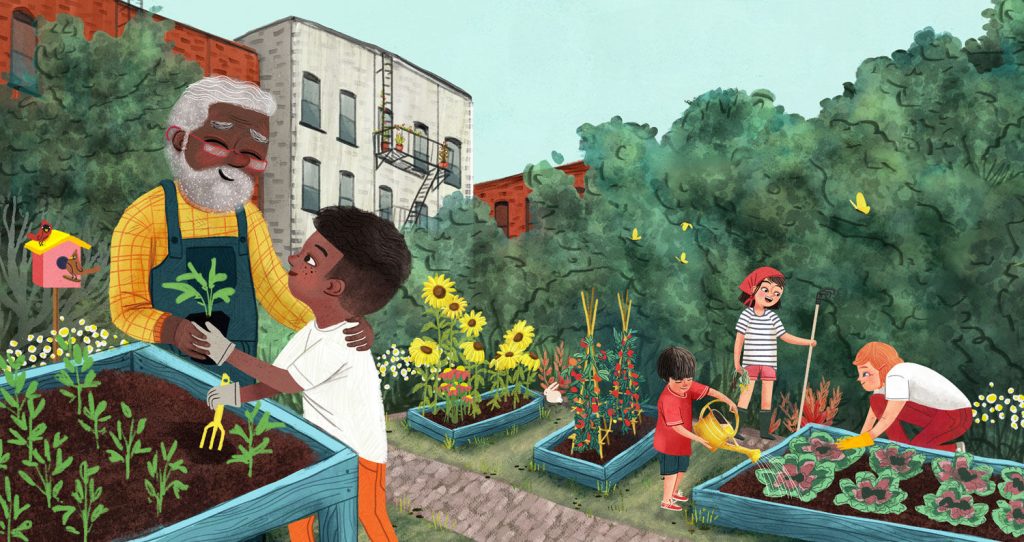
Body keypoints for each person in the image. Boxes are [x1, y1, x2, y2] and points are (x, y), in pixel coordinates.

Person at [109, 76, 373, 387]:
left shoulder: (247, 219)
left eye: (252, 153)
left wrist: (340, 323)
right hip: (165, 374)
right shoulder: (145, 216)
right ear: (181, 140)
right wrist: (172, 330)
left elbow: (276, 294)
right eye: (219, 144)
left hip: (233, 374)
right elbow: (126, 308)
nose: (236, 160)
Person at [195, 205, 410, 542]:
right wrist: (238, 396)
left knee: (370, 514)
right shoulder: (314, 331)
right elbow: (276, 378)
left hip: (360, 453)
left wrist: (227, 353)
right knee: (302, 513)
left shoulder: (341, 340)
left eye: (310, 259)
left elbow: (285, 381)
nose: (294, 258)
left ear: (334, 287)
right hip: (322, 444)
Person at [837, 341, 970, 453]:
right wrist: (859, 440)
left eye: (865, 373)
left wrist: (865, 439)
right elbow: (874, 413)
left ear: (881, 367)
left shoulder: (897, 375)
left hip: (957, 416)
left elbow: (887, 417)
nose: (859, 379)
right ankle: (900, 447)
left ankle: (955, 450)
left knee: (916, 450)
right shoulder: (884, 380)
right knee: (877, 401)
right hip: (936, 413)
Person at [733, 266, 815, 440]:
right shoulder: (746, 315)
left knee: (767, 398)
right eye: (766, 289)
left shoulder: (773, 317)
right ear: (754, 289)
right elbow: (739, 340)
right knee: (745, 395)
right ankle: (737, 429)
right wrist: (736, 363)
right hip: (750, 364)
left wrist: (807, 342)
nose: (771, 295)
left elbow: (785, 336)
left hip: (769, 364)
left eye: (777, 293)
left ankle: (764, 432)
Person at [654, 347, 737, 511]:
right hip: (668, 444)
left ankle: (674, 493)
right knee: (670, 472)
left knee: (682, 468)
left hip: (682, 442)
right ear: (667, 378)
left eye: (689, 378)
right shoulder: (668, 399)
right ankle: (666, 500)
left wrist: (728, 401)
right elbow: (676, 428)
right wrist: (699, 439)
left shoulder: (687, 386)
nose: (685, 384)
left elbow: (709, 391)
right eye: (678, 381)